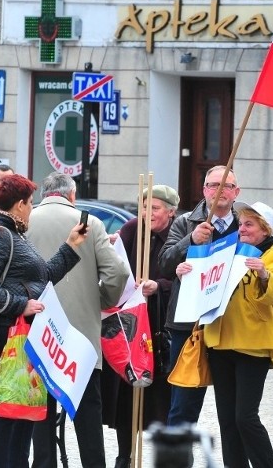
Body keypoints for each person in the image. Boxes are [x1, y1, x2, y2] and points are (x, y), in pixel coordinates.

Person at [0, 174, 87, 468]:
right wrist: (21, 305)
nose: (32, 208)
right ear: (20, 205)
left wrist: (71, 245)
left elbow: (42, 278)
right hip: (11, 336)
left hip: (24, 337)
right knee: (8, 408)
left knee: (21, 408)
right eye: (31, 203)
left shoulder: (15, 234)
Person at [28, 172, 128, 468]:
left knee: (40, 413)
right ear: (72, 195)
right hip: (80, 337)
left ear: (45, 194)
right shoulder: (89, 223)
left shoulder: (26, 220)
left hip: (39, 333)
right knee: (87, 415)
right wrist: (102, 302)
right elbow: (118, 273)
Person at [198, 201, 273, 468]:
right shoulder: (228, 250)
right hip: (220, 342)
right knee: (227, 420)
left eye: (249, 224)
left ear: (265, 228)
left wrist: (263, 273)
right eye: (241, 224)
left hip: (253, 344)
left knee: (245, 417)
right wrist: (188, 272)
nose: (242, 229)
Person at [158, 165, 241, 426]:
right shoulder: (184, 223)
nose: (220, 191)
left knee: (234, 411)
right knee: (183, 407)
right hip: (189, 327)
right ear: (204, 190)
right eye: (214, 185)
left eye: (227, 186)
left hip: (230, 325)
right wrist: (190, 240)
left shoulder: (245, 225)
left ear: (236, 192)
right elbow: (164, 264)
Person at [102, 185, 178, 468]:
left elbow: (185, 277)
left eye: (155, 208)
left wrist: (159, 286)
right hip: (131, 323)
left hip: (161, 326)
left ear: (170, 211)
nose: (147, 214)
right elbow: (114, 265)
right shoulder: (132, 228)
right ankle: (124, 455)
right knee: (126, 392)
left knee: (160, 396)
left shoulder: (177, 232)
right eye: (144, 207)